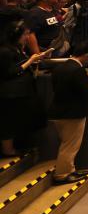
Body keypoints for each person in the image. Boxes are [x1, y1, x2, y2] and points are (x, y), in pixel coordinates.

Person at [0, 14, 48, 157]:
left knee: (18, 122)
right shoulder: (5, 51)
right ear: (16, 35)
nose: (27, 37)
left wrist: (33, 61)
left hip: (22, 92)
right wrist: (30, 61)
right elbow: (9, 72)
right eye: (25, 34)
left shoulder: (18, 49)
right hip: (10, 94)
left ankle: (19, 147)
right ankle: (8, 151)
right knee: (8, 124)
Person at [48, 42, 88, 184]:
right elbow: (85, 92)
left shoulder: (59, 68)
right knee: (70, 146)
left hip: (58, 111)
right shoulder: (78, 70)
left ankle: (70, 169)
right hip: (72, 114)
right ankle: (62, 175)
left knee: (67, 143)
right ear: (87, 55)